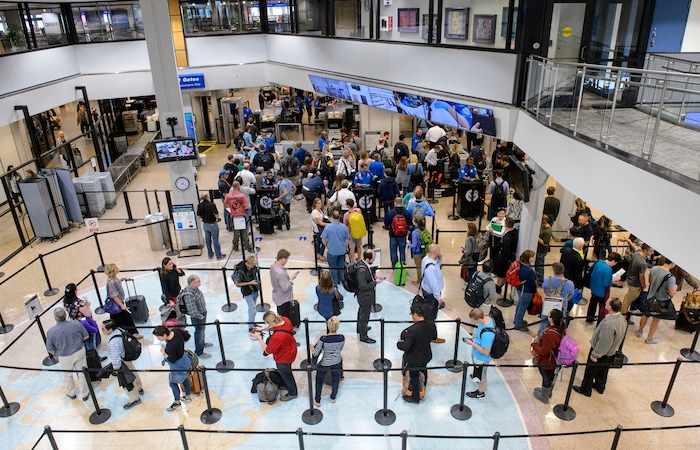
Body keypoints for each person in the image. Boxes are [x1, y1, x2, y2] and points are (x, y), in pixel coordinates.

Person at [573, 298, 626, 397]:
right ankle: (600, 386)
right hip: (611, 352)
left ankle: (586, 389)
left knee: (590, 371)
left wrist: (595, 354)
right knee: (603, 371)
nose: (605, 303)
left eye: (607, 303)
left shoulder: (609, 324)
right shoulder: (621, 318)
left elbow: (604, 342)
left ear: (610, 307)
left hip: (601, 352)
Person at [251, 311, 298, 401]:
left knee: (286, 374)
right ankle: (287, 384)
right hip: (291, 349)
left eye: (267, 323)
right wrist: (263, 329)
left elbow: (268, 350)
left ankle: (293, 392)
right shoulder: (285, 319)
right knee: (286, 372)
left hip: (283, 358)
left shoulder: (277, 337)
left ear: (270, 322)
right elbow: (278, 327)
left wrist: (259, 339)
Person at [45, 307, 90, 401]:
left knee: (67, 375)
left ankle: (71, 393)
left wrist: (58, 352)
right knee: (82, 373)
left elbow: (50, 350)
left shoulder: (51, 332)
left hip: (64, 356)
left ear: (55, 318)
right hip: (79, 351)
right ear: (65, 315)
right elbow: (86, 336)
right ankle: (85, 394)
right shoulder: (76, 323)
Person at [397, 304, 437, 403]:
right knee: (423, 369)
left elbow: (406, 347)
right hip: (426, 354)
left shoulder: (411, 331)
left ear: (415, 315)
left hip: (414, 358)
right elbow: (434, 337)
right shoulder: (431, 325)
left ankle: (415, 397)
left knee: (414, 376)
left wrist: (399, 344)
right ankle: (423, 388)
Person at [102, 319, 144, 409]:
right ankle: (140, 388)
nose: (102, 331)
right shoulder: (119, 330)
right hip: (127, 357)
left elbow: (115, 359)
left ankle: (134, 399)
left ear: (110, 330)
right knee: (134, 373)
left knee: (127, 381)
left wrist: (116, 370)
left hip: (122, 362)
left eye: (103, 329)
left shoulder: (113, 343)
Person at [636, 257, 677, 344]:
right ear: (672, 264)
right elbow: (672, 293)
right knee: (656, 319)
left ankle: (639, 331)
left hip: (650, 297)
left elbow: (650, 281)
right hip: (661, 301)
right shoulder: (671, 278)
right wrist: (675, 288)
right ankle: (649, 338)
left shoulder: (654, 268)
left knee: (645, 315)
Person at [153, 325, 193, 411]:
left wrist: (164, 352)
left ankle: (177, 402)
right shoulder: (176, 331)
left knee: (172, 383)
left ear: (164, 335)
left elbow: (172, 359)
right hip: (184, 359)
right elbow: (187, 336)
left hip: (178, 365)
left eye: (159, 337)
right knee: (185, 378)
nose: (158, 339)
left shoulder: (171, 345)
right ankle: (188, 396)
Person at [531, 309, 565, 404]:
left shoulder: (550, 334)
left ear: (551, 319)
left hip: (548, 360)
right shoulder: (559, 329)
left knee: (546, 376)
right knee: (549, 376)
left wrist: (534, 345)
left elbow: (544, 350)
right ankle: (547, 390)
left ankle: (544, 396)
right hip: (554, 359)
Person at [312, 316, 345, 406]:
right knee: (335, 380)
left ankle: (317, 400)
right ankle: (333, 397)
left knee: (319, 381)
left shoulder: (323, 339)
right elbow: (340, 349)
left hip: (324, 363)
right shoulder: (342, 337)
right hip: (337, 361)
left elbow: (315, 353)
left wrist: (312, 348)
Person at [104, 263, 142, 339]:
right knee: (125, 318)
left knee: (119, 320)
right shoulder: (111, 282)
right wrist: (122, 306)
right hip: (117, 304)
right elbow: (114, 296)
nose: (118, 268)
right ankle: (132, 333)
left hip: (118, 304)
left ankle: (125, 333)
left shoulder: (115, 279)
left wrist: (123, 278)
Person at [464, 307, 495, 399]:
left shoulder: (487, 334)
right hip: (477, 355)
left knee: (482, 376)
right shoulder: (487, 318)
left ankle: (480, 393)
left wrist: (472, 344)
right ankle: (476, 375)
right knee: (478, 371)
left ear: (479, 319)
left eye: (475, 320)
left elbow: (486, 352)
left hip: (482, 358)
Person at [180, 274, 211, 359]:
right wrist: (200, 316)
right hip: (198, 317)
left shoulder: (195, 289)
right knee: (199, 332)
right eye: (198, 281)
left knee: (202, 330)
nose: (200, 282)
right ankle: (199, 351)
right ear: (193, 283)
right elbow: (192, 310)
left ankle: (202, 343)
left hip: (202, 313)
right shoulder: (189, 295)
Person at [587, 252, 622, 324]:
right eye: (615, 263)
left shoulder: (599, 261)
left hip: (594, 287)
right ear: (613, 261)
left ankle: (589, 318)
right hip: (601, 292)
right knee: (602, 307)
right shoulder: (608, 270)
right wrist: (613, 279)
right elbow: (605, 283)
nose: (614, 265)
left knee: (592, 304)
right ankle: (600, 322)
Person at [356, 249, 383, 344]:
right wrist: (375, 282)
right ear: (368, 259)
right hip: (365, 297)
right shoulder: (362, 270)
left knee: (361, 312)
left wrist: (372, 278)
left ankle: (360, 328)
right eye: (373, 258)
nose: (374, 260)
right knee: (364, 315)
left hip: (363, 296)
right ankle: (363, 336)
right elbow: (363, 286)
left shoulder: (362, 264)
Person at [421, 244, 446, 343]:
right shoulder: (430, 268)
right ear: (435, 252)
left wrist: (440, 258)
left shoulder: (427, 259)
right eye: (439, 250)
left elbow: (438, 264)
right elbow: (434, 285)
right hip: (431, 294)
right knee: (431, 316)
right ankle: (431, 336)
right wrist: (438, 298)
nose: (441, 251)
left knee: (428, 314)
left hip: (426, 289)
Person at [622, 243, 654, 320]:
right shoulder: (642, 263)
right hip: (635, 284)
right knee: (628, 300)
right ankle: (623, 316)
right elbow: (641, 276)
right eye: (651, 251)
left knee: (627, 298)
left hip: (630, 279)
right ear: (645, 250)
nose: (652, 253)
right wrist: (643, 285)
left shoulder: (636, 254)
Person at [541, 263, 574, 334]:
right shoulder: (570, 283)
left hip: (548, 305)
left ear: (554, 271)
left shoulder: (547, 280)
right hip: (561, 307)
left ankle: (541, 337)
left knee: (544, 322)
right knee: (561, 324)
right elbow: (570, 295)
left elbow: (545, 291)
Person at [322, 209, 351, 287]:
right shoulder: (344, 227)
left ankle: (334, 282)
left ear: (332, 217)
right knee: (341, 266)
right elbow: (347, 239)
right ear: (340, 217)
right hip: (342, 250)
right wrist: (345, 247)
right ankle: (340, 280)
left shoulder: (328, 227)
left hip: (332, 251)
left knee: (333, 267)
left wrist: (327, 246)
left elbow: (323, 239)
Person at [270, 249, 299, 325]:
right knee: (285, 318)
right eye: (286, 259)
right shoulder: (281, 273)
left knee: (281, 314)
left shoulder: (273, 266)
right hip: (284, 299)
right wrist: (291, 279)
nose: (287, 261)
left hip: (277, 296)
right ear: (282, 259)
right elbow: (285, 288)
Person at [234, 255, 260, 334]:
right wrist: (250, 283)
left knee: (251, 309)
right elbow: (237, 284)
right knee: (253, 310)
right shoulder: (241, 271)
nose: (253, 267)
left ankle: (251, 323)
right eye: (252, 265)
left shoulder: (253, 267)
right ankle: (250, 328)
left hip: (254, 290)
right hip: (247, 292)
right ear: (249, 264)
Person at [197, 193, 226, 260]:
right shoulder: (211, 204)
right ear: (207, 197)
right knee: (215, 240)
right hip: (212, 224)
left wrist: (204, 218)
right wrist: (216, 219)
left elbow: (198, 216)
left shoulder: (199, 205)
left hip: (205, 224)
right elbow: (216, 214)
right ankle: (218, 255)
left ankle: (210, 254)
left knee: (207, 240)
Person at [384, 197, 411, 269]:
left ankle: (394, 266)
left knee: (393, 251)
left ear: (394, 203)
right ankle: (402, 266)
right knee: (402, 251)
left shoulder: (390, 212)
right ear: (401, 203)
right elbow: (409, 223)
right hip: (403, 235)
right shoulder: (406, 212)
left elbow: (386, 223)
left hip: (393, 234)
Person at [225, 181, 252, 252]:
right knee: (244, 231)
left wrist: (232, 207)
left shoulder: (228, 195)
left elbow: (225, 205)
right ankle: (246, 245)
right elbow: (246, 206)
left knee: (235, 232)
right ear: (239, 186)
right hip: (241, 215)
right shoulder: (242, 195)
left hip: (233, 216)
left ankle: (235, 246)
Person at [513, 250, 537, 331]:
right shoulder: (528, 270)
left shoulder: (520, 266)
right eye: (532, 256)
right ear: (528, 258)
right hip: (526, 291)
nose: (534, 258)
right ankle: (518, 324)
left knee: (520, 304)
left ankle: (516, 320)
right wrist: (535, 291)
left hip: (520, 289)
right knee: (522, 307)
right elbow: (532, 283)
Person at [495, 217, 518, 293]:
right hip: (511, 258)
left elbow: (506, 250)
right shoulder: (515, 232)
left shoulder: (507, 238)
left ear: (505, 224)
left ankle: (498, 287)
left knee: (500, 275)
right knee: (505, 274)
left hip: (504, 259)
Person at [342, 199, 364, 263]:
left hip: (351, 233)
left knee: (352, 247)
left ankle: (352, 260)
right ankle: (359, 258)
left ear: (348, 206)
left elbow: (345, 224)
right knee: (359, 246)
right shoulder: (358, 210)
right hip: (359, 231)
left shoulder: (346, 214)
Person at [409, 218, 428, 283]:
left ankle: (419, 280)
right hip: (424, 250)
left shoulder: (415, 232)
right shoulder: (424, 229)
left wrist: (408, 245)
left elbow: (414, 245)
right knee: (423, 265)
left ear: (416, 222)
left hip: (417, 252)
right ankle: (425, 279)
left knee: (419, 267)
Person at [536, 215, 553, 286]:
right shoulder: (542, 227)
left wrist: (537, 237)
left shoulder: (548, 231)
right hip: (538, 249)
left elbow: (545, 243)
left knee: (539, 266)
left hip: (541, 251)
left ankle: (540, 281)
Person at [310, 198, 328, 262]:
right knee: (323, 242)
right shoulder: (315, 212)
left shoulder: (320, 210)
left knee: (319, 242)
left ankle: (318, 254)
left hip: (320, 230)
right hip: (318, 230)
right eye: (318, 203)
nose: (320, 204)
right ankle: (320, 255)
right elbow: (320, 223)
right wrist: (328, 224)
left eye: (321, 203)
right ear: (315, 204)